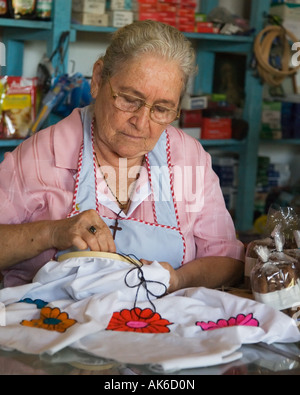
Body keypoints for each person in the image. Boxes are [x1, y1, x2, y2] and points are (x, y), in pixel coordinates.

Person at [0, 20, 244, 290]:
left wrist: (178, 279)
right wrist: (51, 232)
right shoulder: (41, 155)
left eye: (161, 109)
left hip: (158, 327)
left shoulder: (187, 157)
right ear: (98, 79)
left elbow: (228, 258)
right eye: (129, 99)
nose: (141, 122)